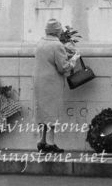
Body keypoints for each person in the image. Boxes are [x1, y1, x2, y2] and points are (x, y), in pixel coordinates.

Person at [33, 19, 79, 153]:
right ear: (58, 31)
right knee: (52, 113)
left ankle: (41, 140)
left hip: (38, 81)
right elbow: (63, 67)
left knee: (42, 112)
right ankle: (50, 142)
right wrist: (74, 60)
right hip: (51, 83)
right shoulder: (57, 45)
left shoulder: (40, 43)